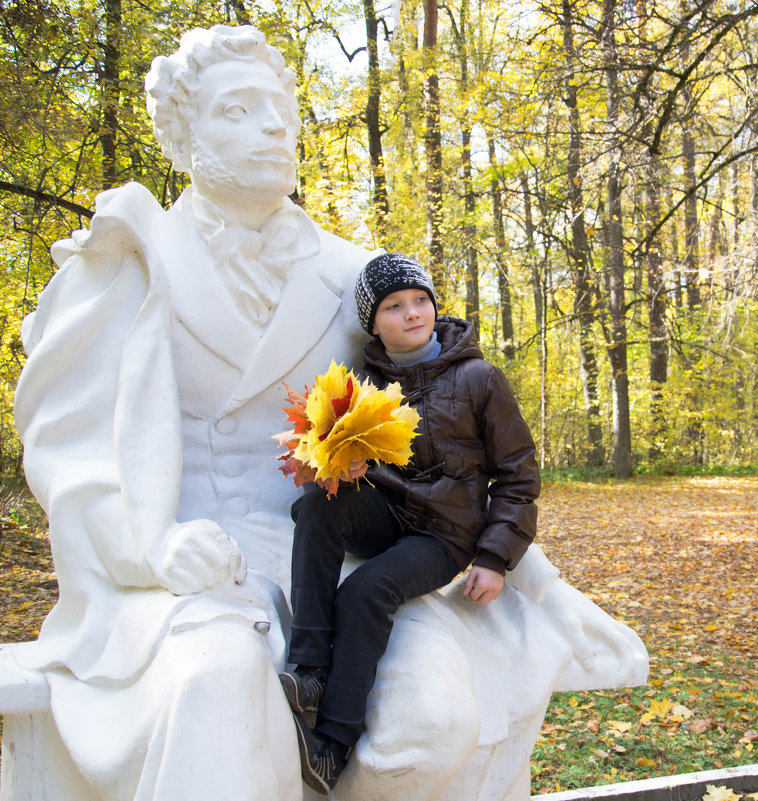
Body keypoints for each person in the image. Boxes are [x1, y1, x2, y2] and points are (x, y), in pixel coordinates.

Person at [10, 23, 646, 801]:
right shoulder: (127, 262)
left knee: (429, 718)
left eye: (281, 107)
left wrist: (540, 584)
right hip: (188, 562)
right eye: (238, 111)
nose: (276, 125)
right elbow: (70, 453)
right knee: (218, 688)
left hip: (345, 549)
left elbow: (455, 454)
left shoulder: (355, 278)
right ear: (181, 136)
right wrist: (147, 546)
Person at [281, 252, 539, 794]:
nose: (413, 313)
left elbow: (518, 475)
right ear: (374, 322)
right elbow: (336, 454)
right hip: (386, 512)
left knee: (364, 592)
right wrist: (343, 465)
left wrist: (494, 559)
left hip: (444, 534)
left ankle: (334, 741)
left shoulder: (479, 377)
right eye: (395, 306)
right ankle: (308, 671)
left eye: (420, 300)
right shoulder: (362, 383)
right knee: (315, 504)